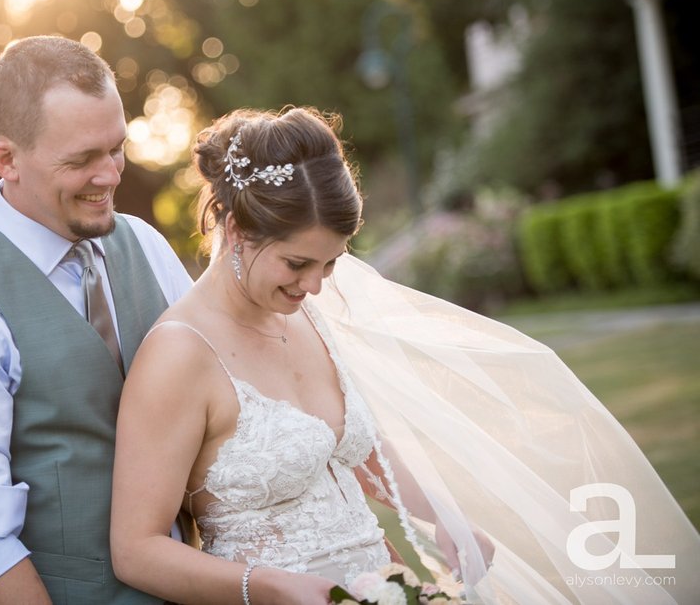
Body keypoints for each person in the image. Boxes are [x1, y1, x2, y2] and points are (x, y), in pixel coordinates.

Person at [110, 106, 700, 604]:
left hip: (381, 584)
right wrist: (266, 586)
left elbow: (350, 450)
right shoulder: (180, 355)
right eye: (297, 263)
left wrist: (441, 514)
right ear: (237, 229)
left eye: (331, 264)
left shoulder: (309, 314)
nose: (315, 286)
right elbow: (135, 551)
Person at [0, 36, 193, 605]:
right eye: (80, 160)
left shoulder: (145, 244)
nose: (109, 176)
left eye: (116, 149)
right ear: (6, 159)